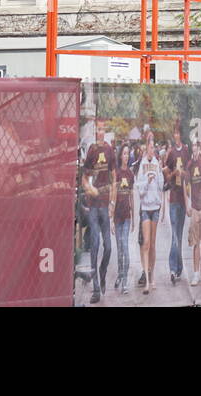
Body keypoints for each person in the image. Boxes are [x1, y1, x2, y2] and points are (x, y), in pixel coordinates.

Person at [81, 120, 115, 304]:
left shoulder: (109, 151)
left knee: (108, 247)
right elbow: (84, 179)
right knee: (94, 246)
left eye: (103, 129)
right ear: (95, 132)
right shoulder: (92, 150)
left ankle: (102, 272)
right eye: (98, 129)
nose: (100, 132)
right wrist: (89, 189)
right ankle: (95, 289)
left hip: (104, 204)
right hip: (93, 206)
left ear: (105, 131)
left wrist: (112, 203)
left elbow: (114, 176)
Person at [135, 133, 164, 294]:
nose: (152, 150)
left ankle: (152, 276)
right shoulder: (142, 164)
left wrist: (158, 177)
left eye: (154, 147)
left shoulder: (157, 163)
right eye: (151, 147)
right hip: (146, 208)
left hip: (155, 207)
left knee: (153, 244)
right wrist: (148, 181)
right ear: (146, 148)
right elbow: (139, 189)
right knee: (145, 243)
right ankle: (146, 279)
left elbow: (161, 186)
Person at [165, 127, 188, 285]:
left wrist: (183, 173)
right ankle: (172, 268)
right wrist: (174, 174)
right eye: (174, 133)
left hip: (183, 198)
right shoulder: (171, 153)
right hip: (173, 197)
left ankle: (179, 268)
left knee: (179, 236)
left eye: (178, 133)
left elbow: (190, 171)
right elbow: (166, 175)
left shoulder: (186, 151)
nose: (176, 135)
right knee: (174, 235)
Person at [185, 138, 201, 286]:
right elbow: (186, 184)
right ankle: (195, 274)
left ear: (199, 149)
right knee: (196, 243)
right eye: (193, 146)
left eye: (197, 146)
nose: (195, 149)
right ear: (191, 149)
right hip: (194, 208)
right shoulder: (189, 165)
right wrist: (188, 204)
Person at [112, 147, 135, 294]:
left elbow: (132, 196)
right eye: (124, 153)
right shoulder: (117, 173)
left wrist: (134, 218)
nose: (126, 156)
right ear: (120, 156)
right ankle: (120, 275)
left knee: (125, 248)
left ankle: (125, 282)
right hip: (117, 216)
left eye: (128, 154)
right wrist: (110, 218)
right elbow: (113, 194)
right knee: (120, 249)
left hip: (126, 216)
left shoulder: (131, 174)